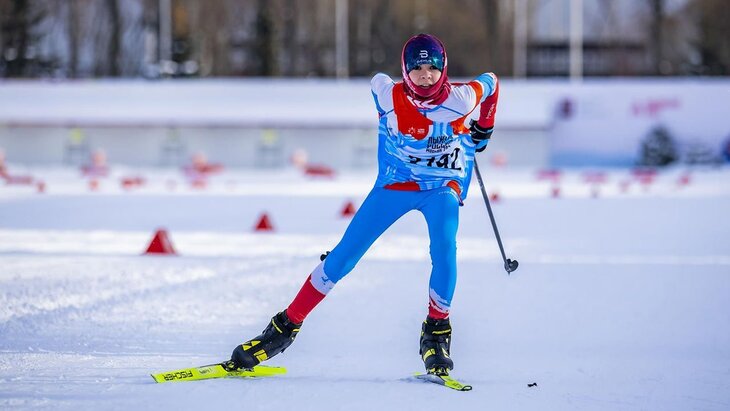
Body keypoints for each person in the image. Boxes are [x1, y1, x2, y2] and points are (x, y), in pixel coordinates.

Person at [227, 33, 499, 376]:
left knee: (445, 249)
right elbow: (377, 82)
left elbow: (492, 82)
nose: (425, 76)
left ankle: (436, 333)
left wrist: (484, 128)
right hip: (394, 186)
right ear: (405, 71)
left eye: (433, 68)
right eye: (417, 70)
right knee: (343, 257)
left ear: (443, 69)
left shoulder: (463, 98)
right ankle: (283, 328)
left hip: (440, 186)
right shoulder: (387, 94)